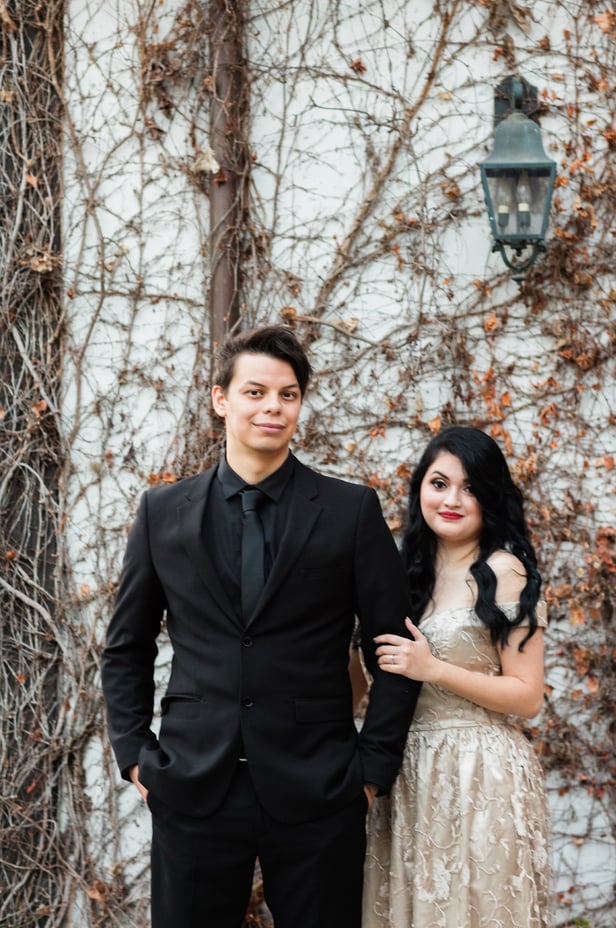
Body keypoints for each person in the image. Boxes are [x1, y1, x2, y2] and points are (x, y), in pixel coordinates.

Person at [101, 324, 420, 928]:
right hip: (192, 784)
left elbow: (395, 647)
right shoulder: (161, 512)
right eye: (255, 392)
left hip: (320, 789)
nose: (273, 406)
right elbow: (126, 647)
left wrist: (371, 772)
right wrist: (137, 759)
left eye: (289, 394)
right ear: (221, 399)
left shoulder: (350, 511)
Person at [361, 425, 551, 928]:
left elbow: (528, 696)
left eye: (470, 488)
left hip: (479, 773)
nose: (452, 499)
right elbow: (363, 688)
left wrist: (433, 669)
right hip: (405, 769)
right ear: (420, 487)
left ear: (491, 496)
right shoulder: (400, 576)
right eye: (439, 483)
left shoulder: (505, 570)